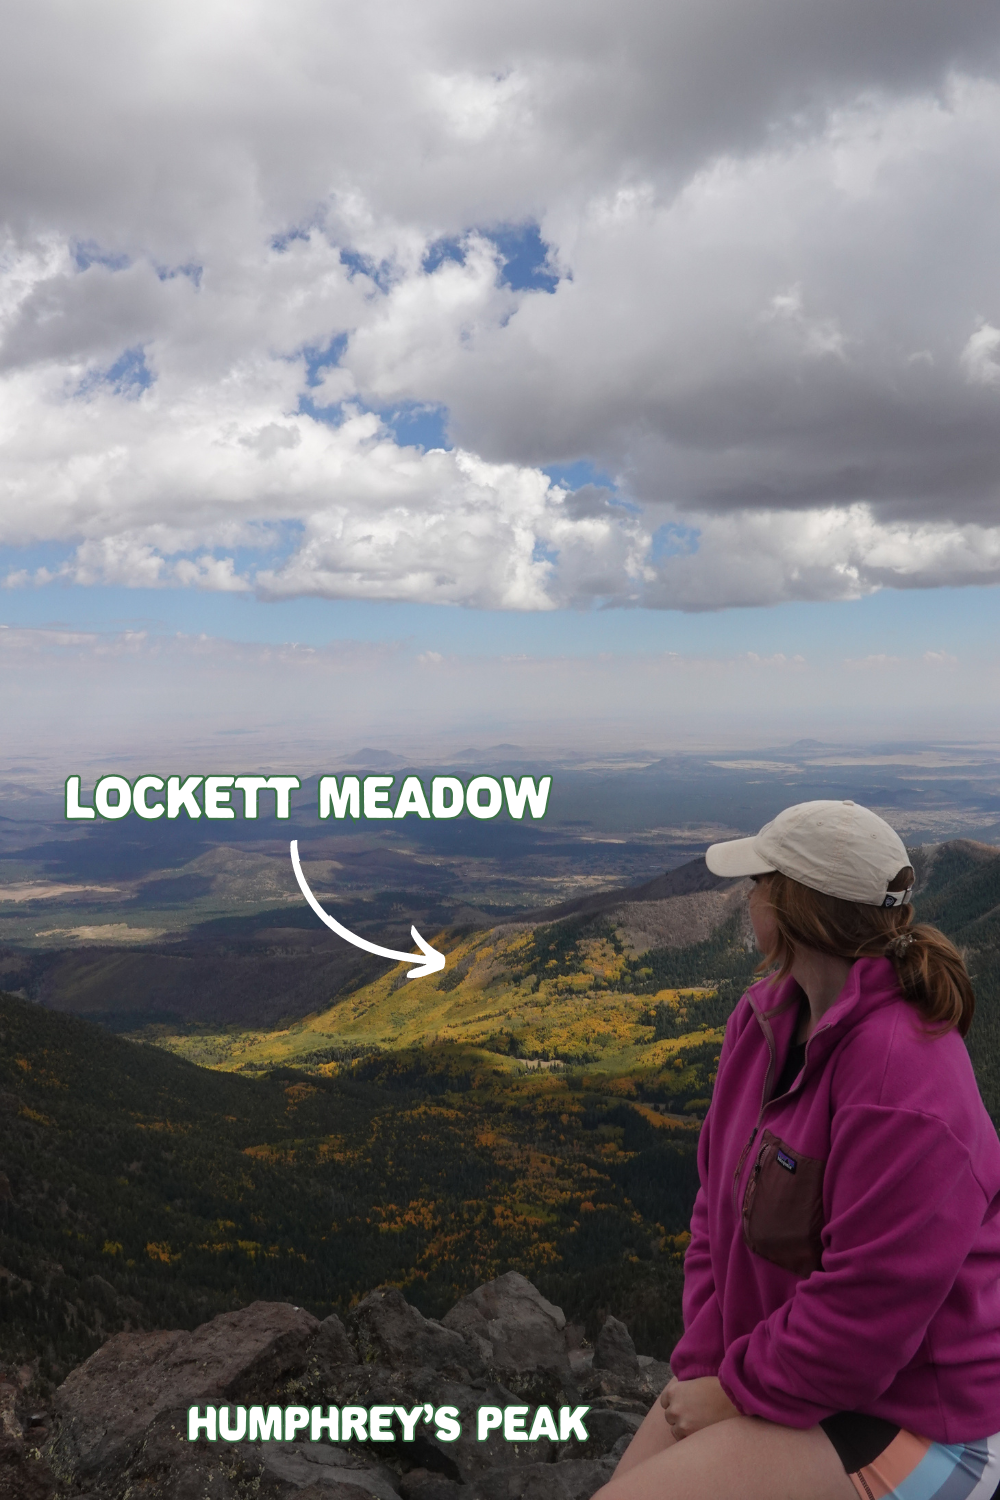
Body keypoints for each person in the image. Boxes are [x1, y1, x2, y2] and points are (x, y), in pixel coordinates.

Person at [595, 799, 1000, 1500]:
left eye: (760, 882)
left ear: (794, 909)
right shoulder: (762, 1023)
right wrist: (703, 1366)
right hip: (798, 1376)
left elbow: (867, 1311)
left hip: (919, 1418)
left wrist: (733, 1393)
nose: (747, 895)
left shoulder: (904, 1079)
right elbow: (713, 1217)